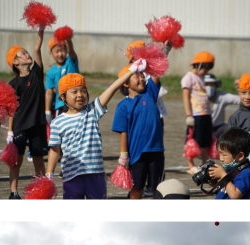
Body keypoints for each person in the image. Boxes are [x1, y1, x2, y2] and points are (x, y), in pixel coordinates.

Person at [47, 64, 137, 200]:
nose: (80, 95)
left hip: (96, 174)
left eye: (83, 90)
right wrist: (49, 173)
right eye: (74, 91)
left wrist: (131, 71)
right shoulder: (57, 123)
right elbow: (54, 150)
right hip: (71, 176)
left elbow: (112, 88)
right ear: (63, 97)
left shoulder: (92, 111)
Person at [113, 44, 172, 200]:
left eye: (141, 75)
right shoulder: (123, 106)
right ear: (125, 83)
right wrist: (124, 154)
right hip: (137, 153)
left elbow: (157, 71)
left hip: (157, 150)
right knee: (136, 189)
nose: (141, 77)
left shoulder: (150, 92)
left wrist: (164, 51)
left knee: (157, 188)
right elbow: (123, 132)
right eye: (136, 75)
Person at [5, 28, 49, 199]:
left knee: (38, 158)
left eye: (27, 52)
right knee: (17, 160)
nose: (28, 54)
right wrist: (10, 131)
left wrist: (41, 28)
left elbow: (37, 47)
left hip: (38, 124)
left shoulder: (37, 73)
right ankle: (13, 193)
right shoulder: (13, 83)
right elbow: (11, 109)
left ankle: (42, 188)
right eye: (23, 53)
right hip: (20, 126)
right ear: (15, 62)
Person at [183, 52, 216, 170]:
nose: (206, 72)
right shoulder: (188, 77)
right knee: (193, 140)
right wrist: (189, 115)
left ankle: (204, 165)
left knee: (206, 141)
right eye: (205, 69)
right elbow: (186, 97)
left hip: (206, 113)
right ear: (198, 65)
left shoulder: (201, 77)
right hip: (196, 115)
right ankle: (190, 165)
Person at [209, 127, 250, 200]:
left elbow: (235, 195)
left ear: (240, 156)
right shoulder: (231, 169)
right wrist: (211, 179)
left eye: (224, 155)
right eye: (219, 154)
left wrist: (223, 175)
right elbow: (222, 191)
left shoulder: (245, 173)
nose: (221, 158)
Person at [46, 34, 80, 123]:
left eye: (63, 50)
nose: (60, 54)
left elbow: (71, 51)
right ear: (51, 53)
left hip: (76, 103)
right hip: (60, 106)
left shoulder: (70, 62)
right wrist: (47, 111)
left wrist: (68, 40)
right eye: (57, 51)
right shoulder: (50, 72)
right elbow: (49, 93)